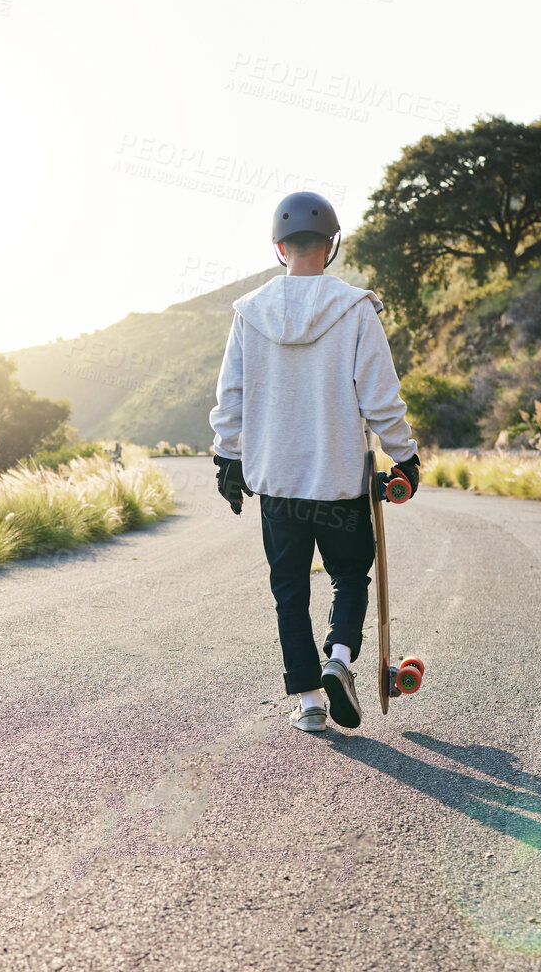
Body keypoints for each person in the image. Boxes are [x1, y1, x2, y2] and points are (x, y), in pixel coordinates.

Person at [208, 191, 420, 733]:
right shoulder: (354, 309)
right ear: (331, 246)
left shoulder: (249, 313)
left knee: (289, 590)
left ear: (280, 248)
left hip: (277, 483)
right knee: (350, 576)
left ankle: (308, 704)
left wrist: (227, 460)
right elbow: (380, 397)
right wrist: (405, 456)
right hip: (339, 483)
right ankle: (341, 660)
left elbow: (230, 396)